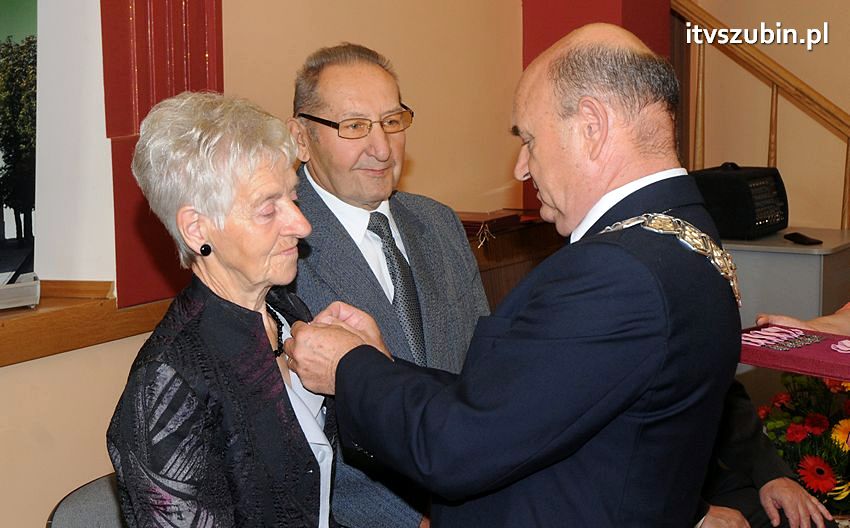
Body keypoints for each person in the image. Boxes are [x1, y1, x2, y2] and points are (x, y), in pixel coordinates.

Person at [286, 23, 742, 527]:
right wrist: (381, 362)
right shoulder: (683, 232)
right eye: (353, 126)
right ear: (301, 138)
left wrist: (352, 366)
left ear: (590, 126)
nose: (521, 167)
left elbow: (467, 436)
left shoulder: (614, 271)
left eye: (528, 138)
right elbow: (514, 398)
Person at [107, 92, 340, 527]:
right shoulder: (169, 381)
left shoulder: (285, 308)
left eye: (293, 197)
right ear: (197, 229)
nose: (301, 224)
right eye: (268, 208)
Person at [284, 44, 490, 528]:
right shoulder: (279, 243)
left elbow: (482, 378)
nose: (381, 148)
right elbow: (290, 447)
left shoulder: (437, 223)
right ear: (301, 137)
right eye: (354, 126)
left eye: (392, 121)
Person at [701, 381, 836, 528]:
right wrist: (698, 517)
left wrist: (771, 474)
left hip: (703, 481)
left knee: (813, 523)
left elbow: (724, 395)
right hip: (674, 497)